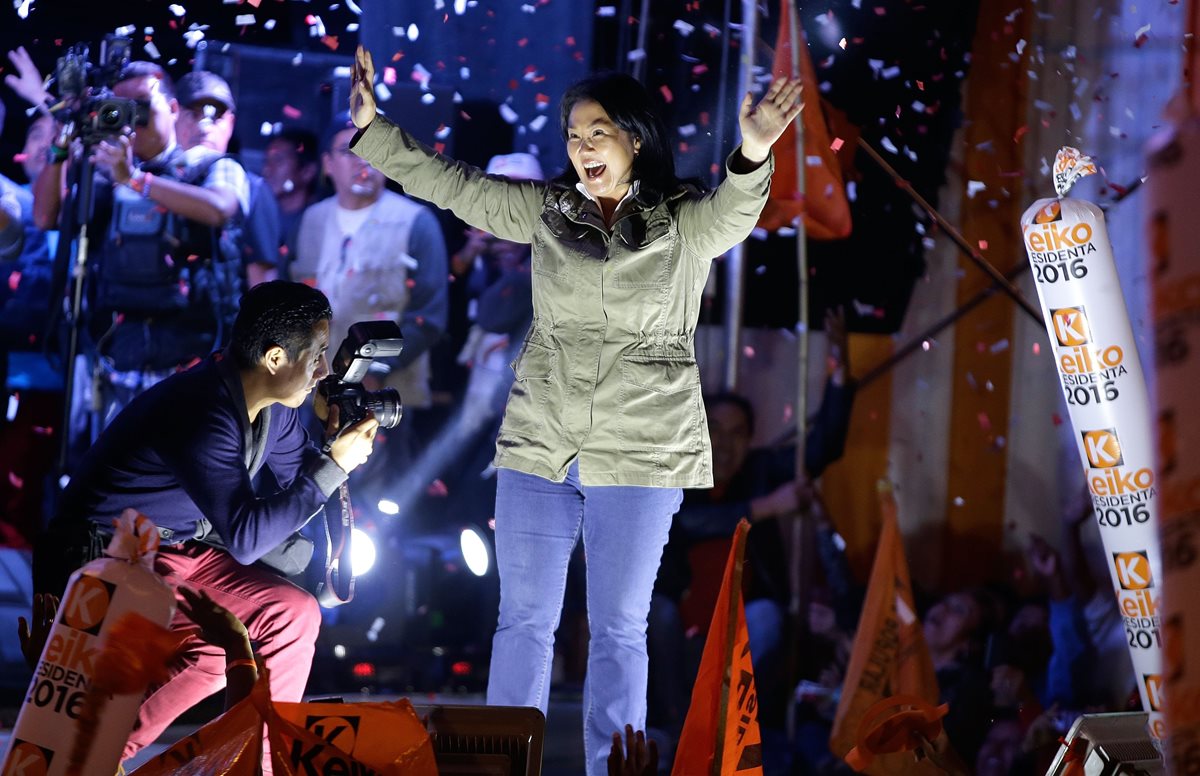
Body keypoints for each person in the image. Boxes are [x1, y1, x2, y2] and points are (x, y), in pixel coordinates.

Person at [348, 44, 802, 775]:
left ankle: (610, 767)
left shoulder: (681, 220)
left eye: (597, 132)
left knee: (620, 626)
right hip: (541, 443)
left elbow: (731, 218)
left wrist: (752, 151)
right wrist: (374, 131)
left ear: (635, 138)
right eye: (572, 134)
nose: (582, 146)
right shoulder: (549, 212)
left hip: (641, 449)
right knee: (523, 620)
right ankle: (502, 762)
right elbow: (454, 185)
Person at [32, 279, 378, 767]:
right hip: (103, 556)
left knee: (290, 614)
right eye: (317, 355)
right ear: (275, 359)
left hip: (177, 553)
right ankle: (92, 753)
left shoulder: (273, 412)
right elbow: (245, 537)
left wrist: (333, 442)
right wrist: (334, 467)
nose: (323, 371)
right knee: (217, 649)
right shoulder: (203, 410)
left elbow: (303, 484)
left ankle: (257, 763)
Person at [32, 61, 251, 460]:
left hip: (192, 361)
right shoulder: (101, 177)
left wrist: (133, 179)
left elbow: (221, 208)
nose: (131, 116)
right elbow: (46, 217)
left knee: (182, 482)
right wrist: (63, 141)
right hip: (118, 358)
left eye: (142, 104)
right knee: (113, 477)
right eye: (121, 105)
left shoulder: (210, 167)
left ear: (171, 108)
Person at [290, 109, 449, 478]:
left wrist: (374, 370)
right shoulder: (310, 220)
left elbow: (429, 317)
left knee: (376, 500)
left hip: (382, 395)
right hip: (309, 390)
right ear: (327, 164)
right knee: (306, 485)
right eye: (348, 151)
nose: (362, 160)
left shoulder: (416, 222)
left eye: (372, 150)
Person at [175, 70, 281, 288]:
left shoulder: (253, 188)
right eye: (193, 114)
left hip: (220, 318)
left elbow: (263, 281)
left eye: (216, 116)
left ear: (230, 124)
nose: (204, 127)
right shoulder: (152, 177)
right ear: (173, 114)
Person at [261, 126, 321, 278]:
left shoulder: (320, 222)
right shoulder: (260, 217)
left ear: (307, 171)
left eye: (278, 160)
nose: (267, 170)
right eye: (266, 161)